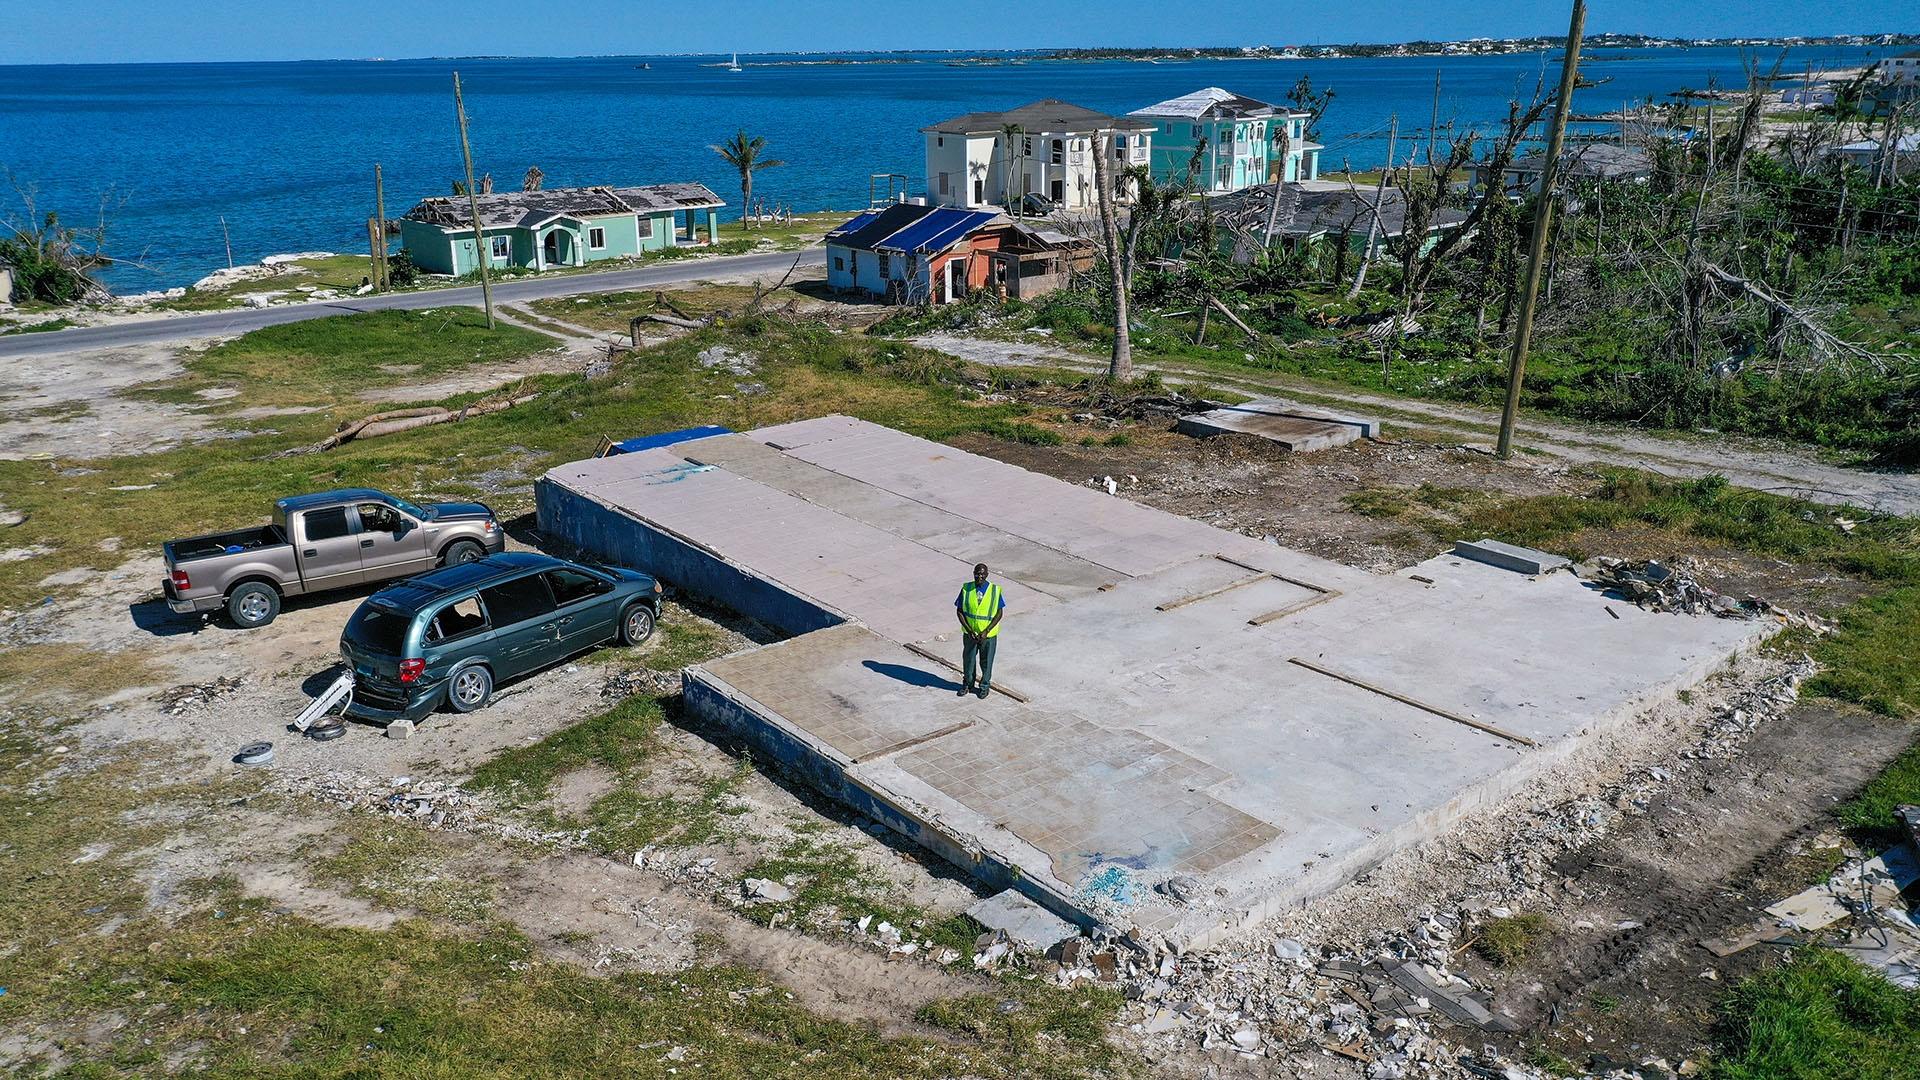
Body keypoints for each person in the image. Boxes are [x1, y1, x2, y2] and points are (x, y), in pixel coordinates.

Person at [955, 562, 1004, 699]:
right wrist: (969, 629)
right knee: (968, 661)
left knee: (986, 662)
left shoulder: (994, 590)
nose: (979, 576)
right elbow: (959, 611)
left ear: (987, 574)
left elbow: (999, 613)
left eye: (982, 574)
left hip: (988, 636)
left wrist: (987, 631)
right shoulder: (966, 589)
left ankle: (984, 686)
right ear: (973, 574)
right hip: (970, 634)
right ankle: (968, 684)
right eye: (977, 573)